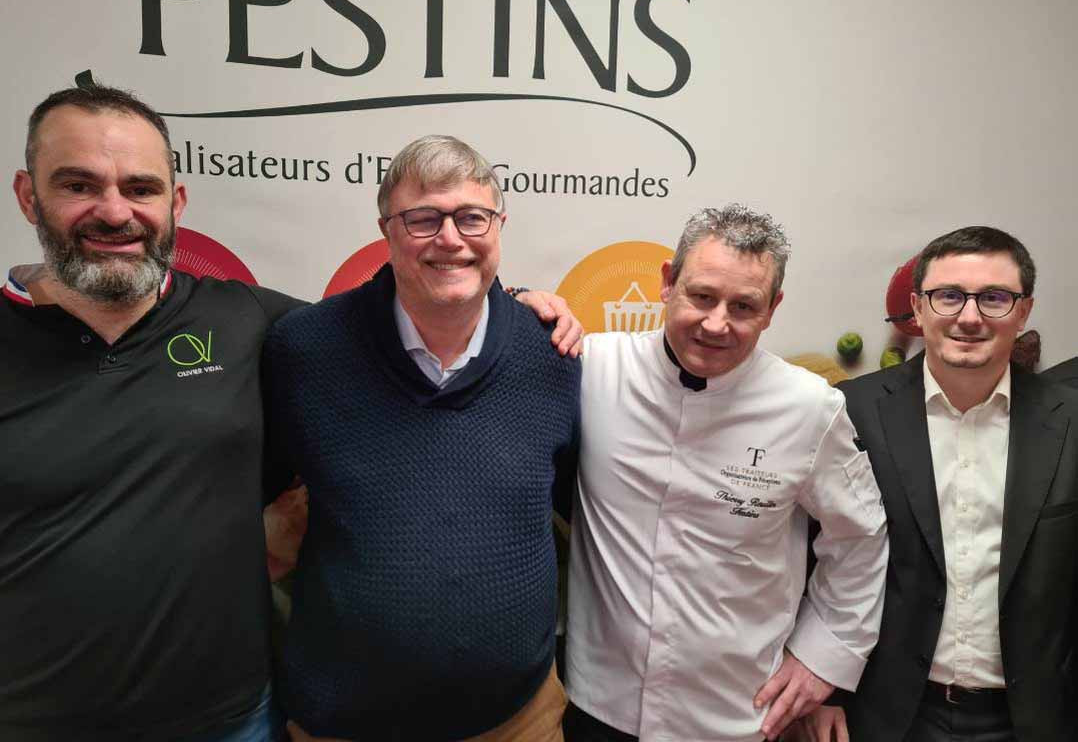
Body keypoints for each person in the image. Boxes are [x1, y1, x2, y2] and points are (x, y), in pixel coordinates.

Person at [0, 87, 581, 742]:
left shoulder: (248, 319)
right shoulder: (309, 345)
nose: (114, 211)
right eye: (78, 185)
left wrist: (521, 304)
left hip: (245, 717)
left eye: (140, 188)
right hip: (46, 719)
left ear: (175, 202)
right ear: (28, 195)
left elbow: (437, 300)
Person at [261, 135, 582, 742]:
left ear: (499, 226)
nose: (451, 238)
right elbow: (257, 492)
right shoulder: (304, 350)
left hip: (518, 722)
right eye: (423, 219)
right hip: (344, 725)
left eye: (472, 217)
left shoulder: (552, 354)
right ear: (386, 230)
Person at [563, 205, 889, 742]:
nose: (717, 324)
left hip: (737, 712)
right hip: (600, 703)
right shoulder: (594, 369)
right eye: (702, 296)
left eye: (743, 306)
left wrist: (823, 658)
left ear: (772, 309)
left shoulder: (809, 406)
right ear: (667, 283)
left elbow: (860, 539)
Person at [802, 226, 1078, 741]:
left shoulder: (1071, 421)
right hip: (885, 714)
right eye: (948, 296)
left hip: (1036, 718)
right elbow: (814, 556)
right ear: (917, 307)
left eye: (994, 298)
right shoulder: (853, 410)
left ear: (1023, 312)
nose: (969, 317)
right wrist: (824, 687)